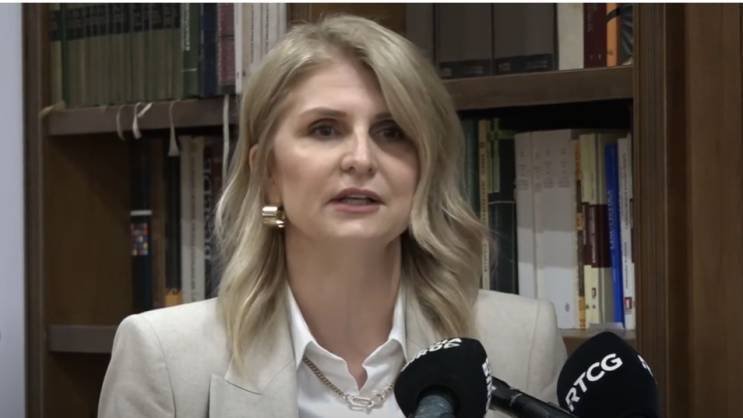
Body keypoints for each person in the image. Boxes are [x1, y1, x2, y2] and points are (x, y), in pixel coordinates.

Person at [98, 14, 566, 418]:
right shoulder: (165, 357)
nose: (361, 159)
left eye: (392, 131)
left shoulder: (520, 341)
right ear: (267, 172)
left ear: (425, 167)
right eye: (325, 129)